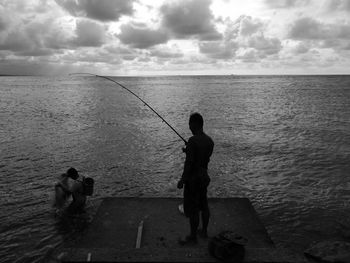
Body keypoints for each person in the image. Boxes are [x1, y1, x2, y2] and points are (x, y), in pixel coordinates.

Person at [177, 112, 214, 245]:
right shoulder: (210, 141)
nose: (189, 127)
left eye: (190, 124)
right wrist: (190, 151)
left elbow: (189, 164)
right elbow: (203, 158)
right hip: (204, 177)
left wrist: (182, 180)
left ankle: (193, 237)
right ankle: (204, 231)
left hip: (193, 180)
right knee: (204, 205)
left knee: (193, 209)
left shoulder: (192, 141)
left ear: (195, 124)